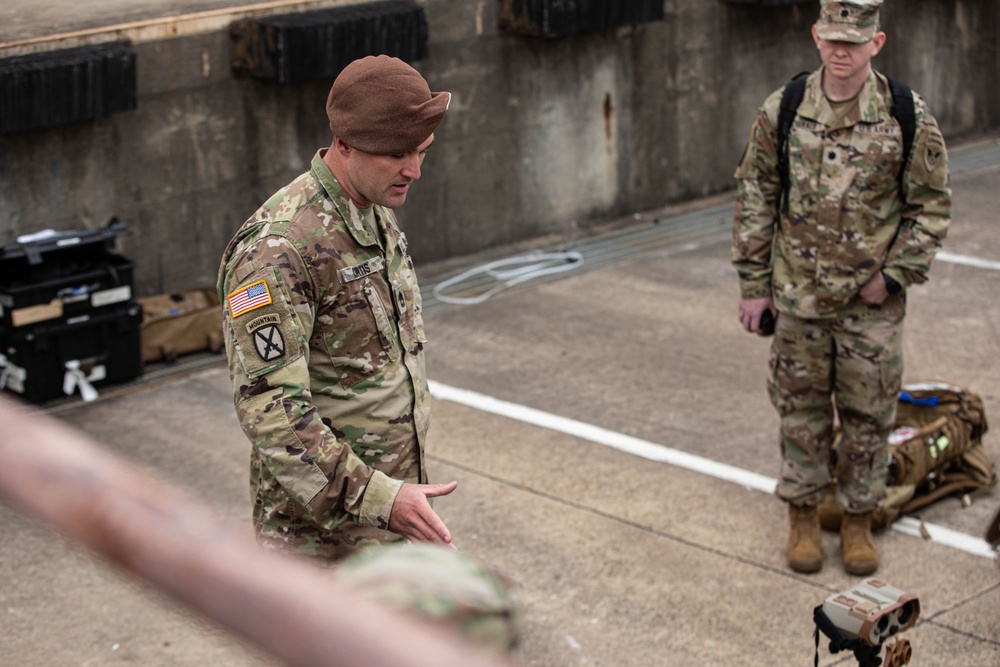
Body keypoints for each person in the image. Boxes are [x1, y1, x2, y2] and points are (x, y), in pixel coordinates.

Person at [731, 0, 951, 575]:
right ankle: (803, 514)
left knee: (869, 416)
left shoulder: (905, 113)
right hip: (798, 300)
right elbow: (755, 196)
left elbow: (930, 208)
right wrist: (754, 286)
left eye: (854, 41)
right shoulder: (784, 109)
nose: (841, 51)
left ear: (876, 42)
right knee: (800, 414)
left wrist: (895, 275)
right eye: (832, 38)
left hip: (869, 307)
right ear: (815, 36)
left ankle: (857, 519)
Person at [217, 55, 458, 563]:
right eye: (396, 154)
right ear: (344, 145)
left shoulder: (371, 208)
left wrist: (393, 500)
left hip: (388, 516)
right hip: (319, 542)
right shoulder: (278, 249)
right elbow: (270, 410)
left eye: (421, 151)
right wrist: (378, 498)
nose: (413, 169)